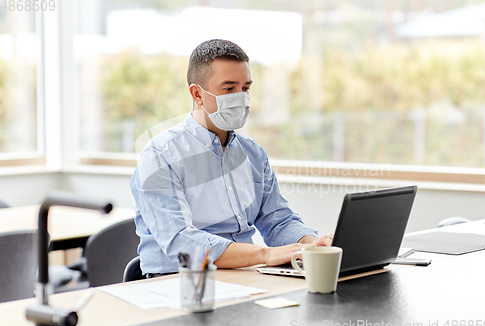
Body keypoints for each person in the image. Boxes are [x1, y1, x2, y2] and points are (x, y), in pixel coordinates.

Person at [130, 39, 333, 277]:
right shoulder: (160, 155)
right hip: (181, 282)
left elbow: (278, 220)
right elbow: (181, 241)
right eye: (229, 89)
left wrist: (311, 246)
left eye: (245, 88)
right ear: (197, 94)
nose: (241, 97)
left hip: (245, 277)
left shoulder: (253, 154)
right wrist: (265, 255)